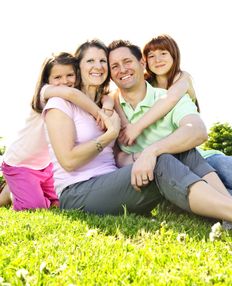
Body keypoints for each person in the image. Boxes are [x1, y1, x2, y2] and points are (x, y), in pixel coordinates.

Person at [43, 39, 232, 223]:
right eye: (90, 61)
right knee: (162, 161)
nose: (98, 66)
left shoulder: (106, 104)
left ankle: (227, 209)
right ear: (78, 67)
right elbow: (68, 161)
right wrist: (110, 135)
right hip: (77, 192)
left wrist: (145, 154)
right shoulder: (60, 104)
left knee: (177, 150)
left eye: (102, 61)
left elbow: (118, 156)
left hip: (115, 182)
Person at [118, 34, 232, 193]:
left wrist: (136, 127)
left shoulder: (181, 79)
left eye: (163, 53)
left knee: (225, 169)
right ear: (144, 61)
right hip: (175, 161)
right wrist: (124, 122)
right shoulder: (145, 84)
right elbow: (116, 94)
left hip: (198, 154)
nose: (157, 59)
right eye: (151, 56)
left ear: (174, 55)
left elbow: (169, 99)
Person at [0, 52, 109, 210]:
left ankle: (15, 188)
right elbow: (71, 93)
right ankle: (11, 193)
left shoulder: (75, 100)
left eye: (69, 75)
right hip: (22, 163)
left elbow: (105, 95)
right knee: (35, 207)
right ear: (47, 80)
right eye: (57, 77)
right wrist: (101, 115)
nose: (64, 81)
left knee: (58, 203)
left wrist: (108, 103)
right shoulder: (44, 93)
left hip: (46, 166)